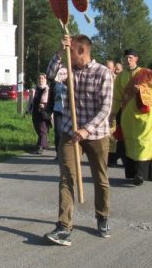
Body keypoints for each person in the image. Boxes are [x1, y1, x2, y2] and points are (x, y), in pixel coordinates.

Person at [44, 34, 113, 246]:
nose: (67, 55)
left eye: (70, 51)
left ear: (82, 51)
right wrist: (58, 51)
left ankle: (102, 216)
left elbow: (105, 108)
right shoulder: (68, 70)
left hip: (96, 134)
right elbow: (51, 75)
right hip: (69, 131)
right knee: (66, 178)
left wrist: (87, 129)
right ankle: (64, 226)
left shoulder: (103, 73)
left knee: (100, 177)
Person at [110, 49, 152, 185]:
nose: (128, 60)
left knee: (143, 144)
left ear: (136, 59)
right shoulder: (121, 77)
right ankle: (133, 173)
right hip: (128, 115)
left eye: (130, 58)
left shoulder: (148, 74)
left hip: (146, 115)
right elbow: (116, 97)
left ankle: (140, 174)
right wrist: (112, 113)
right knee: (130, 144)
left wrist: (143, 90)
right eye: (126, 58)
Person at [29, 73, 51, 154]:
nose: (41, 80)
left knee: (42, 130)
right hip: (35, 112)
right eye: (39, 78)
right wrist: (27, 110)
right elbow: (30, 102)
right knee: (38, 129)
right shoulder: (35, 89)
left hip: (44, 112)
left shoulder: (48, 89)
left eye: (42, 78)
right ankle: (43, 144)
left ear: (45, 80)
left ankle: (40, 147)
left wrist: (45, 107)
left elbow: (51, 102)